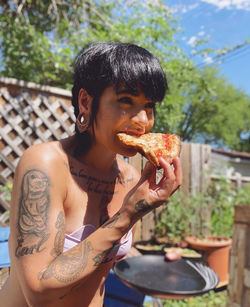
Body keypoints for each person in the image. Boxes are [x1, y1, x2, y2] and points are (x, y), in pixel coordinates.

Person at [0, 41, 182, 307]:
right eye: (126, 101)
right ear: (85, 101)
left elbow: (105, 254)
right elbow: (37, 291)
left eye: (149, 105)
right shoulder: (46, 163)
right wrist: (128, 214)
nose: (143, 121)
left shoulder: (131, 178)